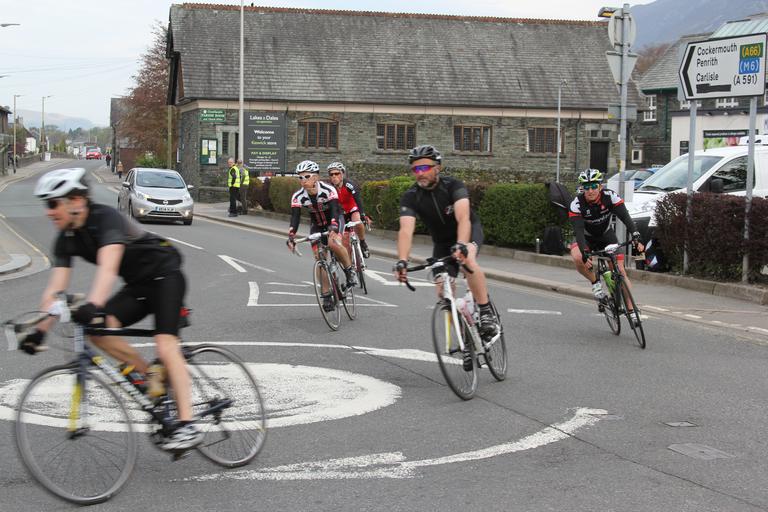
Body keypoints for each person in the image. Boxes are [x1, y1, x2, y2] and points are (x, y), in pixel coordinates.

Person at [19, 168, 202, 450]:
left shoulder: (106, 219)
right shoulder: (66, 238)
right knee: (98, 332)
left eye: (53, 204)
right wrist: (40, 330)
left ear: (76, 201)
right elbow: (55, 290)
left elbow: (108, 266)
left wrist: (93, 306)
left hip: (166, 275)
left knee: (166, 345)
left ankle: (188, 425)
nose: (49, 212)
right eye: (47, 205)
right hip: (138, 286)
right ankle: (152, 380)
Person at [393, 145, 498, 339]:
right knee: (443, 291)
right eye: (415, 169)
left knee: (467, 260)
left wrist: (461, 244)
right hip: (441, 243)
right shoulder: (411, 196)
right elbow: (406, 230)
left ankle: (485, 311)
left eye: (425, 168)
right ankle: (466, 338)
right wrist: (402, 260)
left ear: (437, 167)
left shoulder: (453, 185)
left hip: (467, 233)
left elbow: (463, 218)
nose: (420, 173)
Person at [568, 168, 645, 318]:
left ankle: (631, 310)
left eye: (593, 186)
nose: (590, 191)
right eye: (586, 187)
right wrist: (584, 251)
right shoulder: (577, 204)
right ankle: (596, 283)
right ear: (582, 188)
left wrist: (636, 234)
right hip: (586, 238)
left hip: (606, 236)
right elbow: (578, 230)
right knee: (577, 257)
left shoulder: (610, 197)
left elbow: (625, 217)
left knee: (620, 271)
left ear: (600, 186)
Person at [285, 160, 357, 312]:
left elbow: (335, 210)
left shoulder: (328, 189)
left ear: (316, 177)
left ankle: (350, 271)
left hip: (335, 220)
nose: (303, 180)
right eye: (300, 177)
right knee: (319, 258)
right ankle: (326, 295)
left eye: (307, 176)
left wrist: (334, 226)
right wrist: (291, 235)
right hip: (317, 225)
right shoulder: (298, 196)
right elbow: (295, 218)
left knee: (333, 243)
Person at [326, 162, 371, 258]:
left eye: (337, 173)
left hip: (352, 209)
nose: (334, 176)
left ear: (342, 174)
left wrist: (362, 215)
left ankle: (363, 243)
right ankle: (351, 264)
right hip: (341, 213)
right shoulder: (329, 188)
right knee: (345, 242)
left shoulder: (349, 185)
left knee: (358, 222)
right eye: (331, 174)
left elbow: (358, 199)